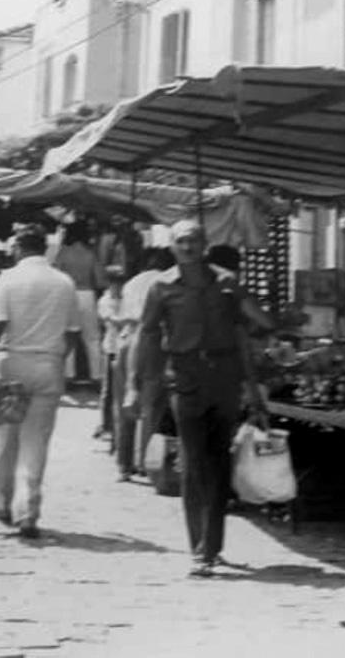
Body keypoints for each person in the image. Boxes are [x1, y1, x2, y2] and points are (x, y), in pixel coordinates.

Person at [138, 220, 267, 578]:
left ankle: (213, 545)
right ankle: (199, 549)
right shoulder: (161, 286)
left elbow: (259, 323)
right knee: (193, 464)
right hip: (185, 379)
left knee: (220, 462)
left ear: (205, 244)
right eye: (181, 241)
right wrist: (140, 386)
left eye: (194, 240)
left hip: (224, 379)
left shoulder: (226, 281)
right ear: (173, 248)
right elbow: (148, 335)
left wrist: (239, 297)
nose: (188, 247)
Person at [0, 228, 81, 539]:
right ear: (44, 249)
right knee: (36, 443)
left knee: (7, 438)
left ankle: (1, 501)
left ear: (19, 247)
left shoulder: (8, 278)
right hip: (49, 366)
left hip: (12, 365)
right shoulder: (64, 282)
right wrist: (57, 357)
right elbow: (73, 332)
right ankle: (28, 511)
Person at [119, 247, 176, 473]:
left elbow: (125, 316)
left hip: (125, 341)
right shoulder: (167, 282)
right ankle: (145, 462)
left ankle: (124, 463)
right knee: (152, 405)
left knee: (125, 402)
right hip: (152, 342)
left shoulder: (131, 283)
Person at [53, 221, 108, 387]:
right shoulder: (91, 254)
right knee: (92, 338)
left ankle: (68, 376)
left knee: (68, 336)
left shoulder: (63, 253)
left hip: (68, 295)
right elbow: (100, 281)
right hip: (87, 294)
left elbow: (55, 277)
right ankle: (97, 376)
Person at [96, 266, 131, 479]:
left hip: (125, 349)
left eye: (120, 281)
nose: (118, 286)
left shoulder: (127, 297)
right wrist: (130, 320)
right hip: (112, 348)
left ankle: (116, 437)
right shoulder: (105, 301)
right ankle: (107, 428)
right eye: (115, 282)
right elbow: (113, 322)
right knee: (109, 392)